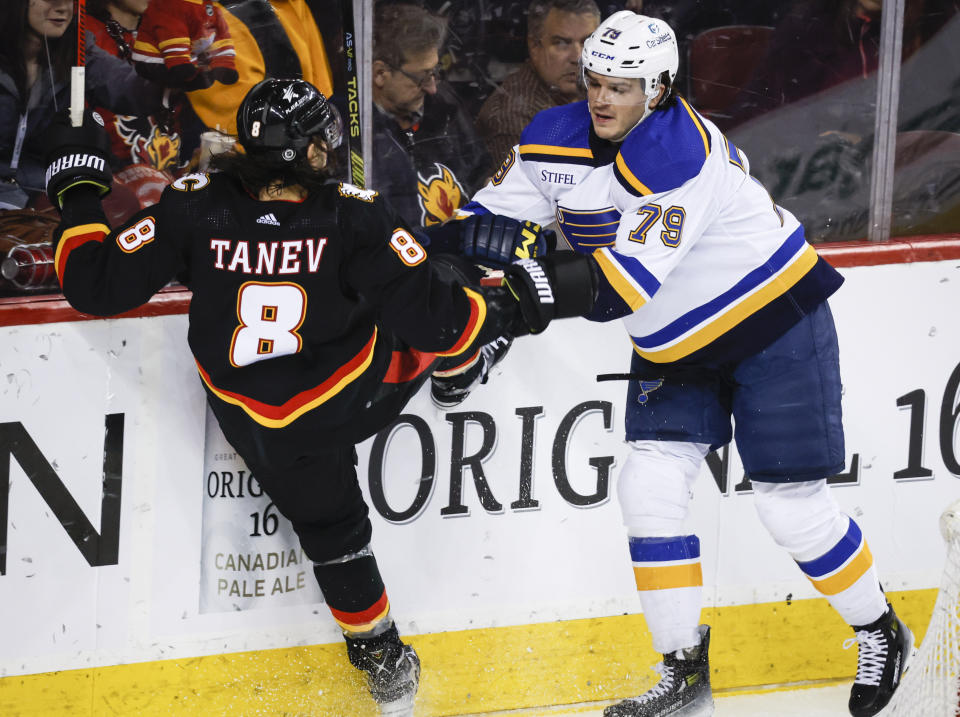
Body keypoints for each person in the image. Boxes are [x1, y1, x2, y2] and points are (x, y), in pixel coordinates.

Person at [41, 77, 594, 715]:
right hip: (345, 399)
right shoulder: (354, 215)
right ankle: (461, 372)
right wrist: (515, 304)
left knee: (333, 534)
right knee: (451, 282)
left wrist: (78, 189)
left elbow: (91, 284)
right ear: (307, 153)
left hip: (254, 421)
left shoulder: (192, 202)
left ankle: (384, 666)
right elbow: (441, 320)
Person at [452, 11, 912, 717]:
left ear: (660, 89)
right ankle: (684, 671)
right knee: (647, 487)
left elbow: (615, 290)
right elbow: (487, 226)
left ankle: (880, 628)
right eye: (595, 82)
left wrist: (511, 304)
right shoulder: (551, 139)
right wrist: (449, 256)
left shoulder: (678, 154)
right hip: (675, 342)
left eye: (623, 87)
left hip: (772, 323)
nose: (602, 99)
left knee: (791, 509)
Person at [0, 0, 166, 210]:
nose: (62, 8)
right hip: (12, 196)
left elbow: (126, 87)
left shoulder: (76, 49)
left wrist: (175, 78)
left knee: (122, 206)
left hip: (39, 183)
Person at [371, 2, 490, 228]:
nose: (432, 88)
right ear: (380, 73)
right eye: (422, 77)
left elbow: (480, 169)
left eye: (434, 72)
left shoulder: (443, 105)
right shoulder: (352, 133)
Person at [476, 0, 600, 173]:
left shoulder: (594, 89)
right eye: (562, 43)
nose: (578, 57)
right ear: (534, 46)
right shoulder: (512, 115)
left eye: (587, 42)